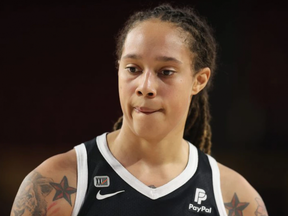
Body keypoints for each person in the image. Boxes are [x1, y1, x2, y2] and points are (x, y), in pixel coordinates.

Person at [11, 4, 269, 216]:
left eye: (165, 72)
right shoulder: (55, 184)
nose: (145, 87)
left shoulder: (235, 200)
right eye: (133, 69)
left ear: (198, 81)